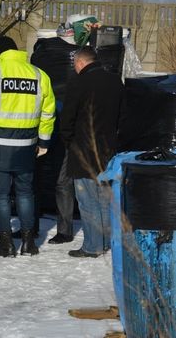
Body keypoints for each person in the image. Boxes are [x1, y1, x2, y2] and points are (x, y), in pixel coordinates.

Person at [0, 36, 56, 257]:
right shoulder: (38, 75)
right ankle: (28, 242)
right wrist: (44, 141)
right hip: (27, 145)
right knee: (25, 192)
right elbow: (48, 112)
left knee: (1, 194)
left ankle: (6, 243)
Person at [59, 46, 124, 258]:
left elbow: (67, 117)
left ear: (80, 63)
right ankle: (106, 241)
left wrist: (69, 141)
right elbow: (123, 115)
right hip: (108, 148)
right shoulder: (115, 81)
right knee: (104, 196)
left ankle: (92, 246)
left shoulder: (78, 82)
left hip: (82, 149)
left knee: (87, 200)